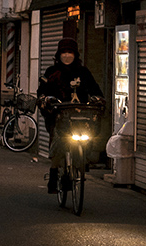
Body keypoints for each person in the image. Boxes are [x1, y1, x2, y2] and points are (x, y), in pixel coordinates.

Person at [37, 39, 103, 194]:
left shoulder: (83, 72)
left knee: (88, 137)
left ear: (75, 54)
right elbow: (42, 91)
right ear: (59, 55)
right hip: (59, 115)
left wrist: (98, 99)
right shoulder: (51, 72)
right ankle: (54, 174)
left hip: (81, 115)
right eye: (64, 52)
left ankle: (81, 162)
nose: (67, 56)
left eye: (70, 52)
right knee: (59, 142)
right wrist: (45, 99)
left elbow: (95, 89)